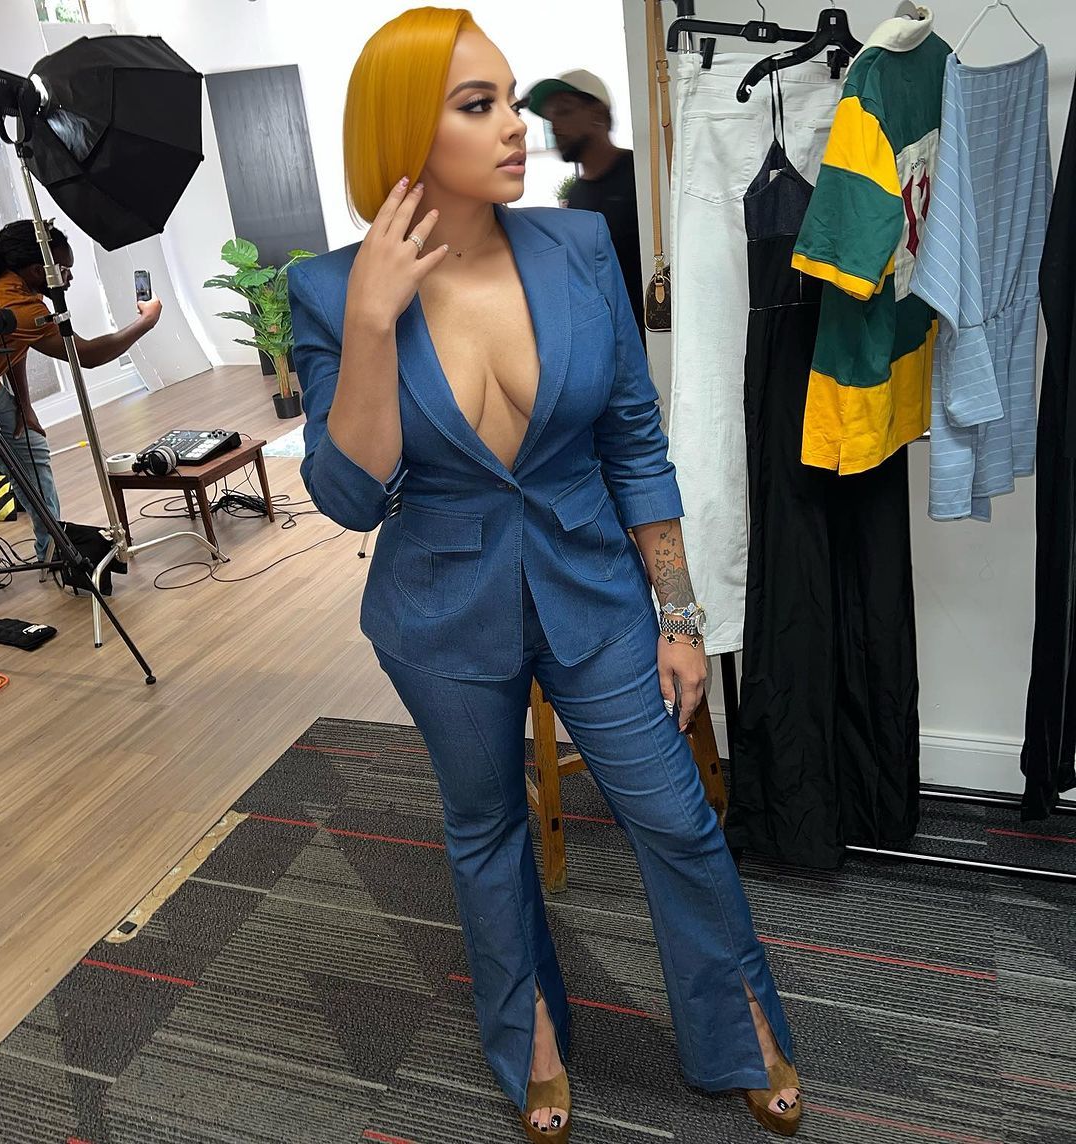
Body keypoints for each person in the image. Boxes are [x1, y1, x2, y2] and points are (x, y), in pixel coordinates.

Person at [290, 8, 802, 1140]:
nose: (517, 126)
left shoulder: (574, 248)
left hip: (595, 592)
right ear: (403, 133)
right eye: (477, 107)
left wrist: (679, 615)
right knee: (486, 831)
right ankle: (529, 1035)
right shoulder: (328, 290)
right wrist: (371, 322)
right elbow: (349, 498)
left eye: (509, 99)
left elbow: (633, 438)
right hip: (439, 613)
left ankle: (742, 1028)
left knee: (675, 816)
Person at [0, 219, 162, 565]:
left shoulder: (21, 290)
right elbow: (86, 355)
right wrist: (146, 322)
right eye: (64, 269)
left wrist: (25, 405)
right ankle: (54, 549)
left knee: (32, 449)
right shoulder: (19, 306)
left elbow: (14, 345)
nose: (69, 277)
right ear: (36, 270)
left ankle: (53, 551)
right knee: (18, 461)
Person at [524, 69, 646, 338]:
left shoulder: (642, 178)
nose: (555, 126)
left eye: (564, 111)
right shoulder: (577, 198)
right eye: (550, 118)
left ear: (597, 114)